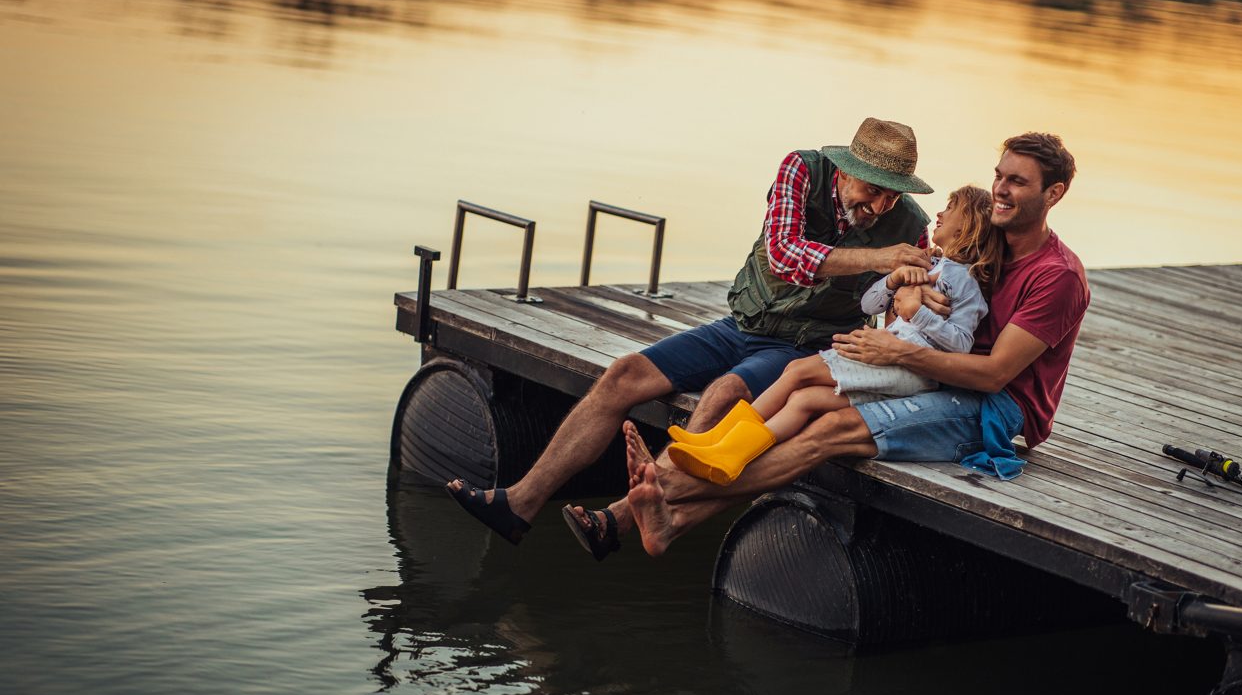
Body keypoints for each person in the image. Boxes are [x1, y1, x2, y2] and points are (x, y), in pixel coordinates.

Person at [447, 117, 937, 556]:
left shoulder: (911, 227)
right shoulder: (802, 170)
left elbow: (900, 307)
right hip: (743, 324)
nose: (879, 204)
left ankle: (615, 521)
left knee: (724, 393)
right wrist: (877, 258)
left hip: (805, 347)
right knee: (624, 374)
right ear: (847, 170)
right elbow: (786, 255)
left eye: (892, 194)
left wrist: (910, 297)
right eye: (872, 189)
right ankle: (519, 502)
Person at [624, 132, 1089, 557]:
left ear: (1053, 194)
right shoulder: (984, 247)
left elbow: (994, 374)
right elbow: (905, 312)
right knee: (806, 397)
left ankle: (667, 491)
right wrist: (902, 295)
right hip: (936, 374)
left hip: (995, 405)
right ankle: (672, 519)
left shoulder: (1057, 276)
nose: (1001, 191)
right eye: (999, 177)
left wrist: (898, 350)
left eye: (1018, 182)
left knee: (828, 430)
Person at [665, 185, 1004, 485]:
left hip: (909, 367)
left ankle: (720, 443)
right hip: (889, 362)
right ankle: (725, 452)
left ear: (969, 226)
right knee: (803, 399)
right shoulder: (929, 264)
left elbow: (961, 343)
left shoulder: (965, 281)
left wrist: (917, 312)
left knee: (796, 372)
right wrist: (893, 280)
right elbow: (869, 305)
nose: (940, 213)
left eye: (951, 208)